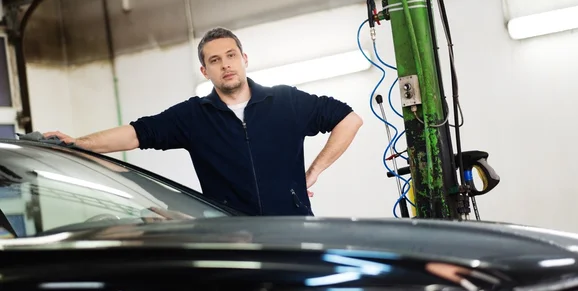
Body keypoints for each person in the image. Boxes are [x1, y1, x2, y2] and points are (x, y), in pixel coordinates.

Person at [44, 27, 363, 216]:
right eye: (215, 60)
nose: (225, 65)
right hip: (233, 241)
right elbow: (136, 134)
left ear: (244, 59)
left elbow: (349, 119)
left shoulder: (286, 101)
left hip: (294, 233)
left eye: (231, 55)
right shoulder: (193, 116)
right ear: (205, 71)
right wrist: (80, 143)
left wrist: (314, 171)